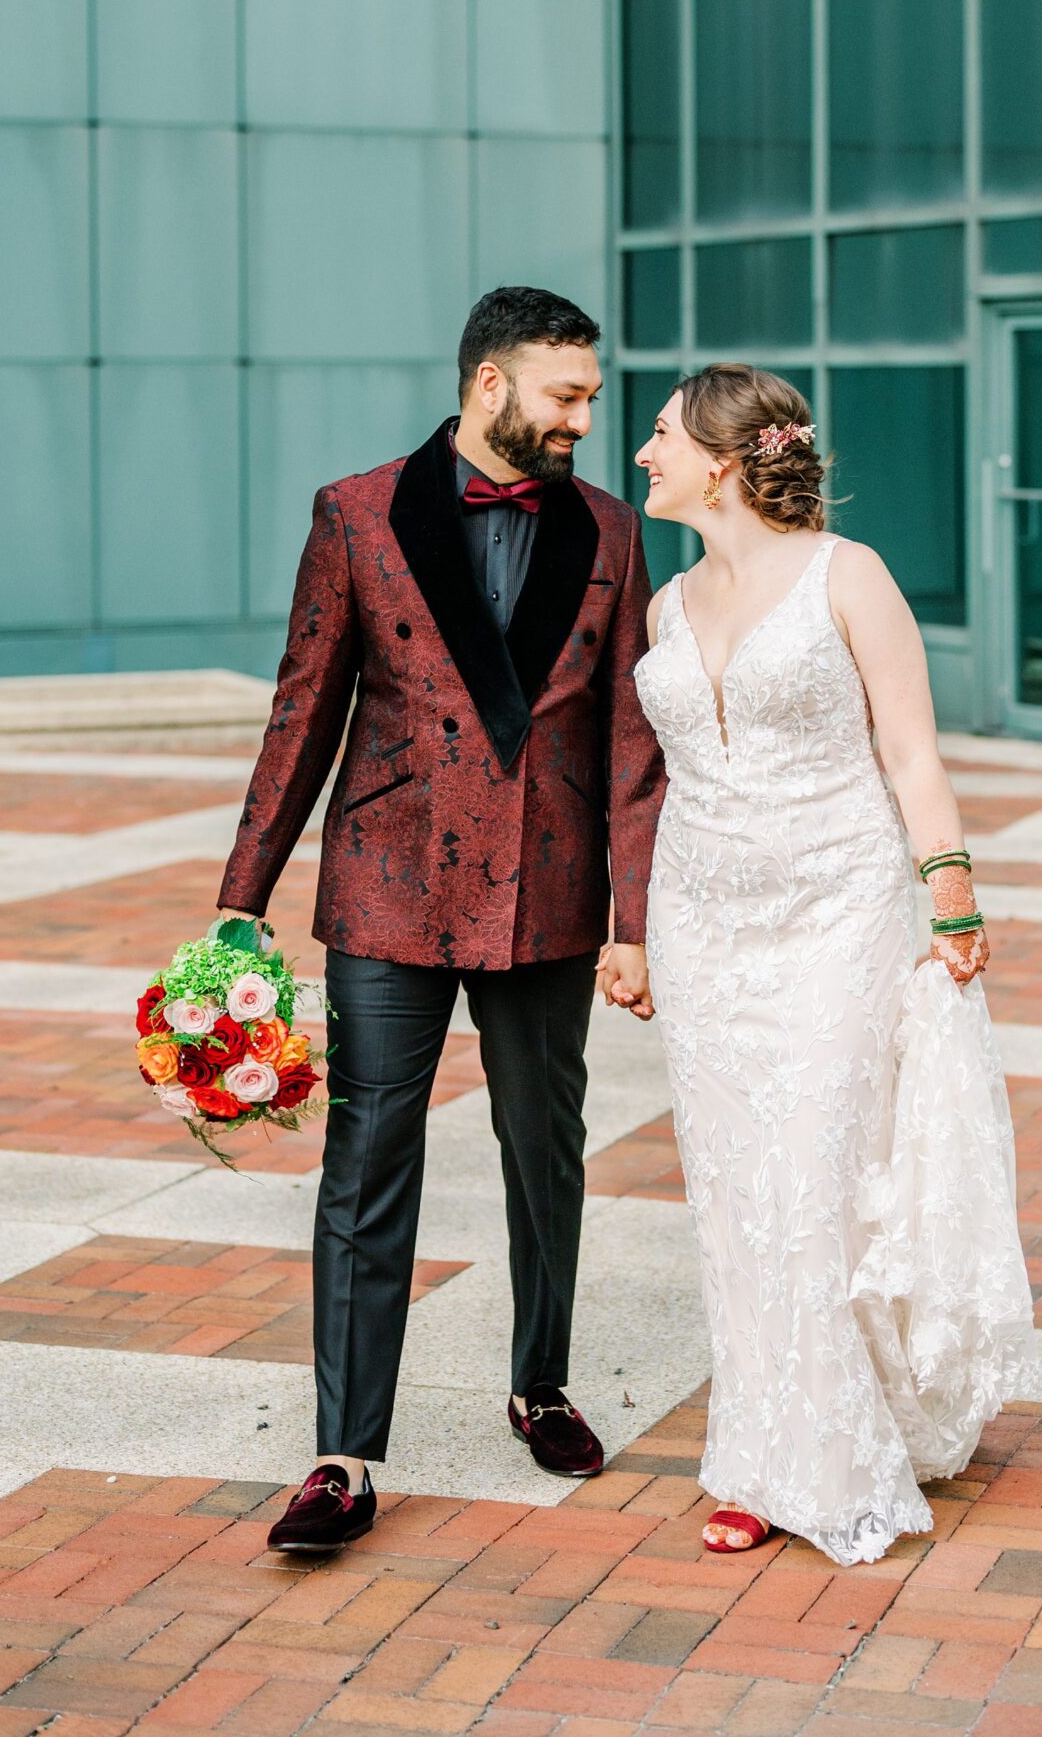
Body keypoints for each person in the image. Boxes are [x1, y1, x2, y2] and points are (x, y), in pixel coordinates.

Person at [217, 286, 665, 1554]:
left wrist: (635, 916)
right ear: (489, 386)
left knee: (546, 1147)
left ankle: (538, 1381)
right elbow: (300, 712)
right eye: (567, 394)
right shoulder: (357, 511)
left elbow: (631, 743)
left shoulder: (616, 532)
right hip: (387, 883)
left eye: (590, 393)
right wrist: (238, 907)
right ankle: (342, 1456)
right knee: (365, 1161)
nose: (588, 416)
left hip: (550, 890)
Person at [607, 362, 1035, 1567]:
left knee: (810, 1182)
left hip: (836, 912)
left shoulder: (851, 578)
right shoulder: (666, 606)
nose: (642, 454)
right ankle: (757, 1449)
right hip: (702, 923)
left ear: (728, 460)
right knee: (734, 1197)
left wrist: (947, 893)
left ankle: (824, 1455)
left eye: (659, 436)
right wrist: (631, 926)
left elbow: (908, 749)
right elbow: (660, 784)